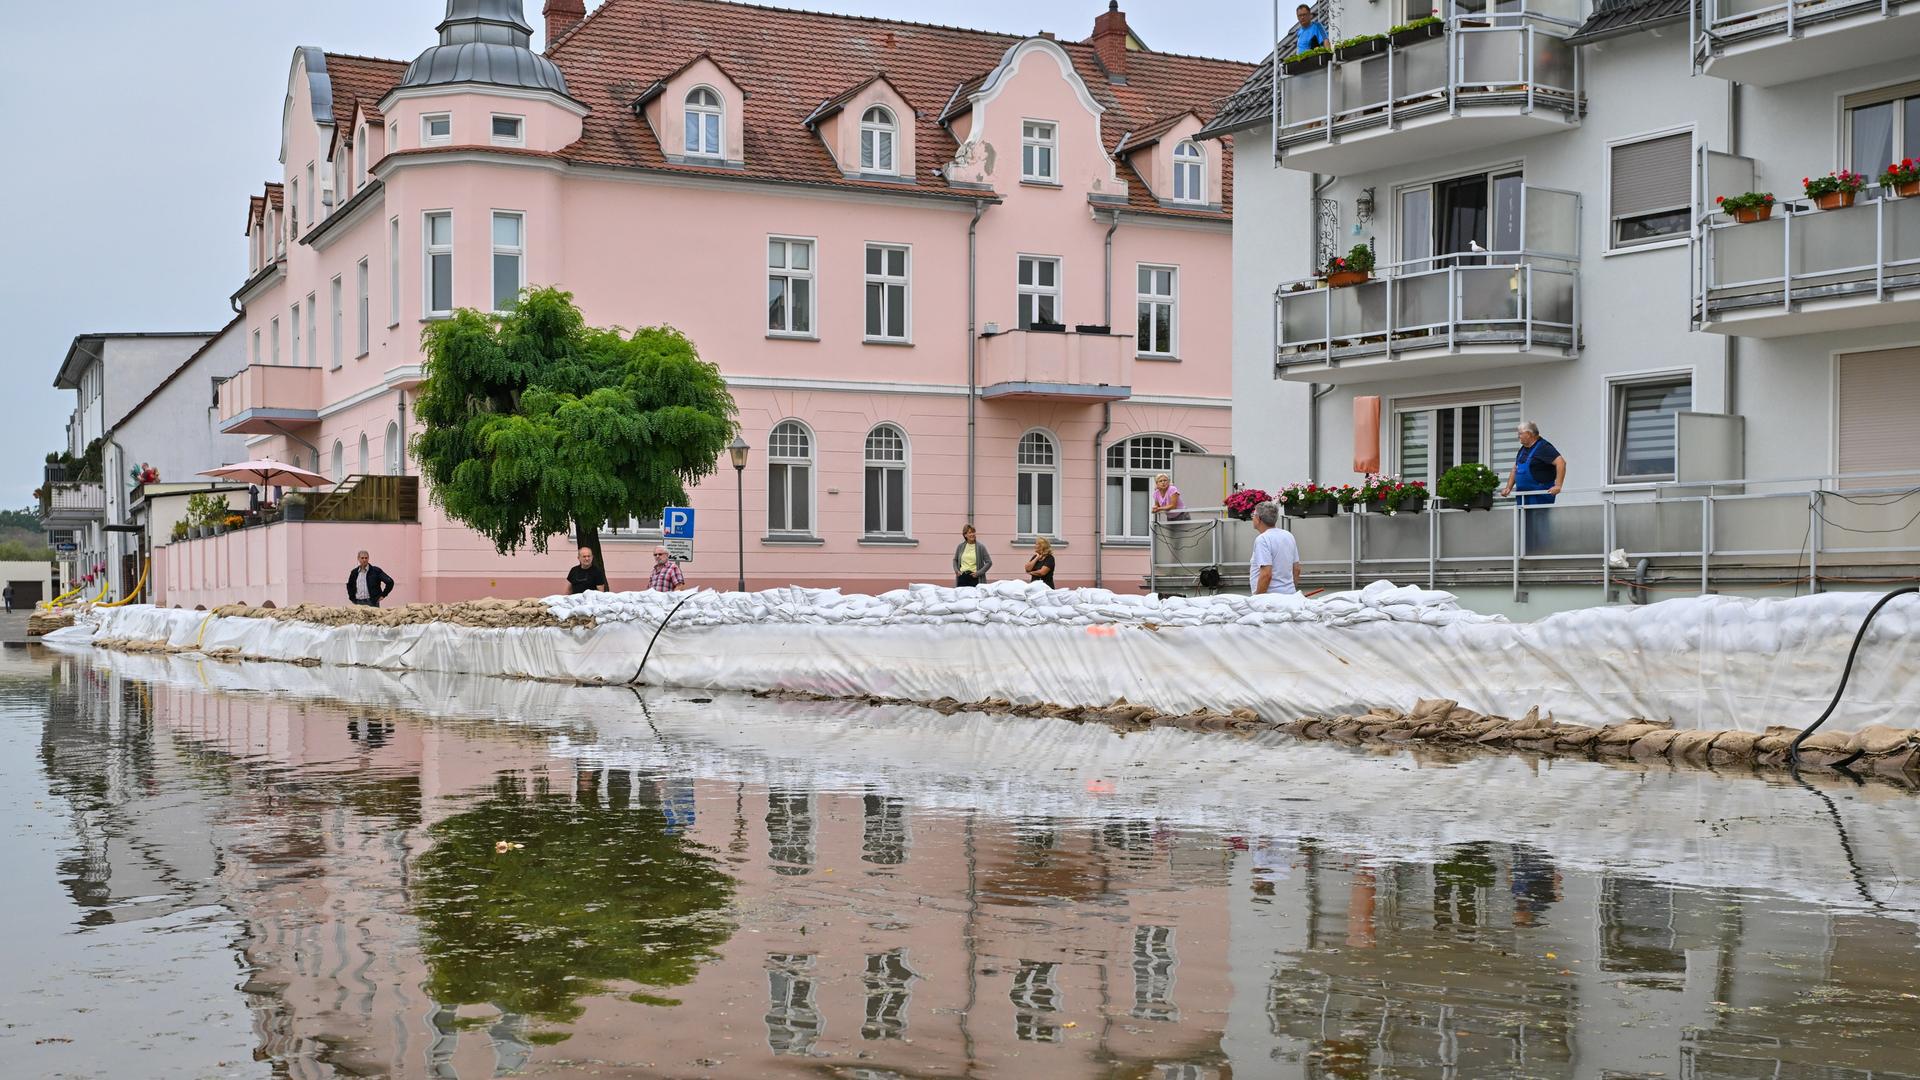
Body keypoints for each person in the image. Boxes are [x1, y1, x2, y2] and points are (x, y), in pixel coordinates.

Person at [1500, 420, 1565, 553]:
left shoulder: (1544, 447)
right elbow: (1515, 468)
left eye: (1520, 434)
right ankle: (1526, 553)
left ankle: (1543, 553)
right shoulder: (1523, 449)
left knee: (1539, 524)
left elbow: (1561, 463)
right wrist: (1508, 487)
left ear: (1529, 434)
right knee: (1524, 525)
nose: (1518, 436)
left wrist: (1558, 485)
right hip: (1523, 495)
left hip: (1539, 494)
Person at [1249, 501, 1303, 595]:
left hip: (1270, 601)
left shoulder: (1263, 539)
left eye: (1253, 515)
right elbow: (1297, 569)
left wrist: (1257, 600)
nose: (1252, 518)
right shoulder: (1288, 535)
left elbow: (1266, 574)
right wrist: (1289, 591)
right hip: (1290, 596)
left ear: (1258, 518)